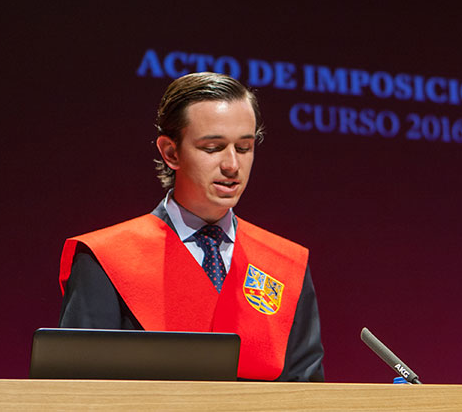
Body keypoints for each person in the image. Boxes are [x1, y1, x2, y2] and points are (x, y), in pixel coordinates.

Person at [58, 72, 324, 381]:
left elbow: (307, 392)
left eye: (244, 148)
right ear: (171, 153)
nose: (232, 165)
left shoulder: (284, 264)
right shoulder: (105, 259)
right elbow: (79, 389)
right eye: (212, 147)